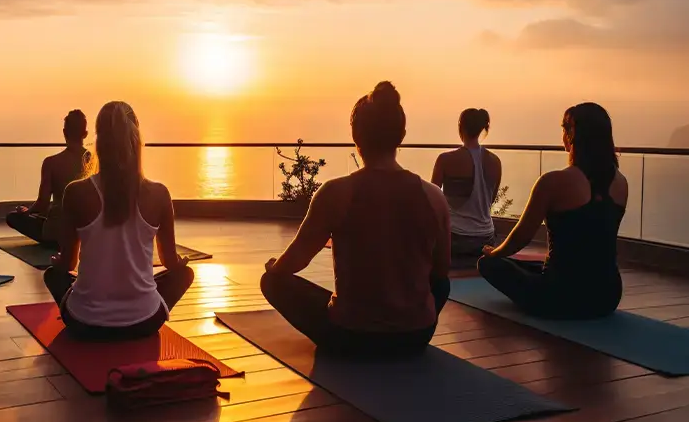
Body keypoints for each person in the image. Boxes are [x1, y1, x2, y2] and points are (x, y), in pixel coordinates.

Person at [261, 82, 451, 357]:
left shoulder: (336, 193)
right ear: (402, 136)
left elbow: (296, 260)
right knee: (442, 285)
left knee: (271, 281)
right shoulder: (434, 197)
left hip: (352, 338)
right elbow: (441, 271)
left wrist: (274, 268)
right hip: (416, 336)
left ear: (355, 135)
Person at [43, 101, 194, 340]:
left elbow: (68, 265)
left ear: (98, 141)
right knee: (185, 275)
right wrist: (179, 262)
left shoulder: (75, 192)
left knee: (52, 275)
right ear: (137, 141)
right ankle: (137, 307)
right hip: (145, 322)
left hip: (85, 324)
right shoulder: (159, 194)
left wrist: (58, 262)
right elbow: (170, 262)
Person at [479, 103, 628, 319]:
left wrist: (494, 253)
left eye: (563, 128)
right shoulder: (621, 183)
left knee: (488, 264)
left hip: (561, 296)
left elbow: (521, 236)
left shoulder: (553, 181)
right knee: (535, 265)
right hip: (608, 296)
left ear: (572, 134)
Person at [6, 110, 91, 247]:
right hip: (85, 232)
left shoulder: (51, 163)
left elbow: (42, 203)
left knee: (12, 217)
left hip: (56, 232)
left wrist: (27, 212)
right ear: (85, 134)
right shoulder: (95, 162)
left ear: (64, 132)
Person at [431, 108, 502, 259]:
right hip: (487, 238)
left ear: (460, 127)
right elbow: (490, 200)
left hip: (456, 238)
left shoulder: (445, 160)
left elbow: (433, 201)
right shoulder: (495, 161)